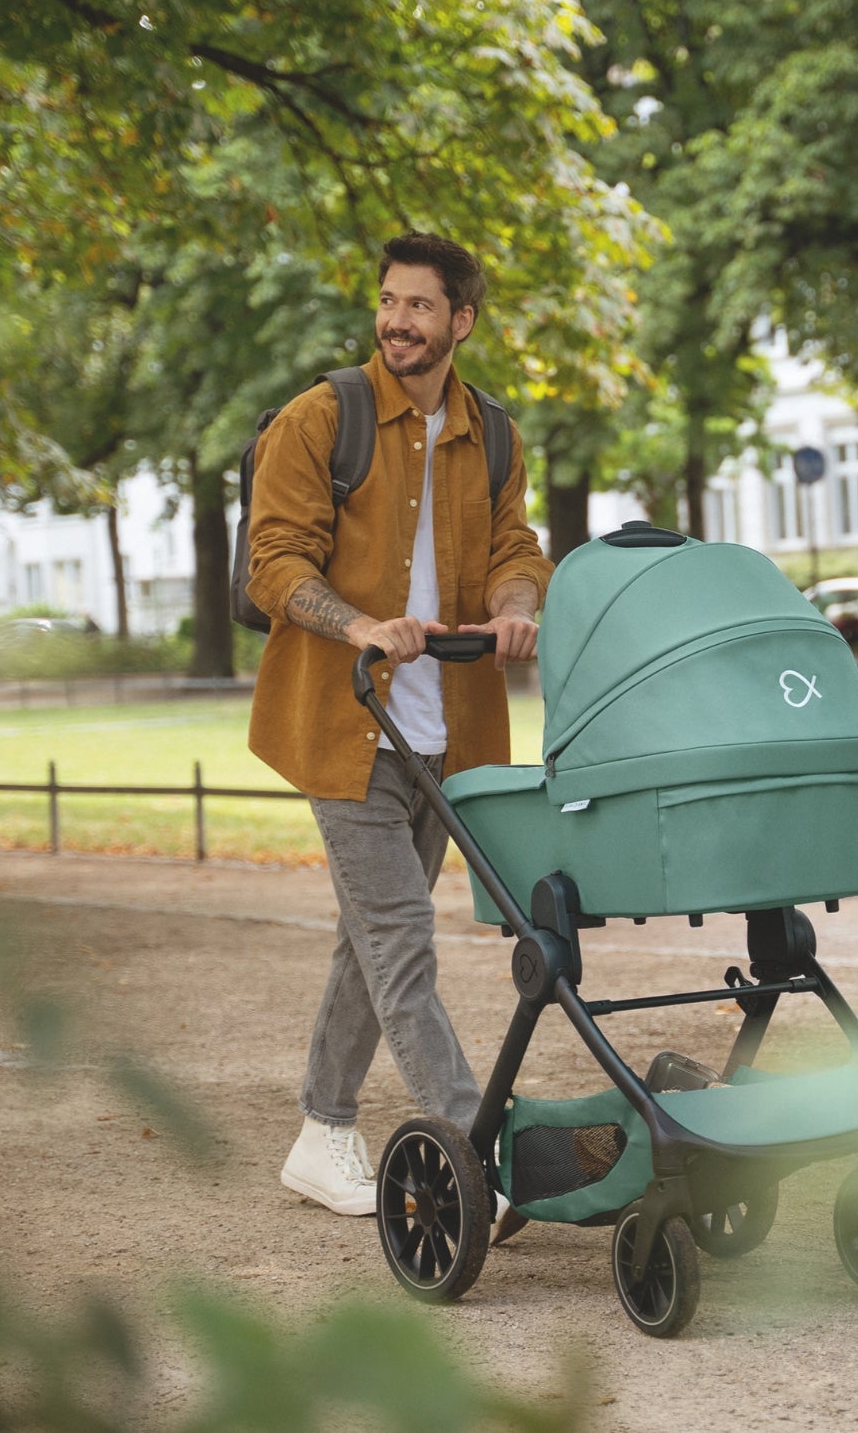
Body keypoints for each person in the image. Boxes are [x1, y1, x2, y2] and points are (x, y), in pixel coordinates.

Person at [245, 230, 552, 1219]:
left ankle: (322, 1130)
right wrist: (362, 625)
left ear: (461, 320)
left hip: (444, 735)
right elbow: (277, 564)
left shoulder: (490, 434)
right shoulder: (320, 420)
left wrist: (513, 605)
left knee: (367, 943)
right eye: (389, 302)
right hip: (345, 727)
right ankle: (483, 1149)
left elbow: (517, 547)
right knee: (400, 937)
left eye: (420, 306)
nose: (397, 321)